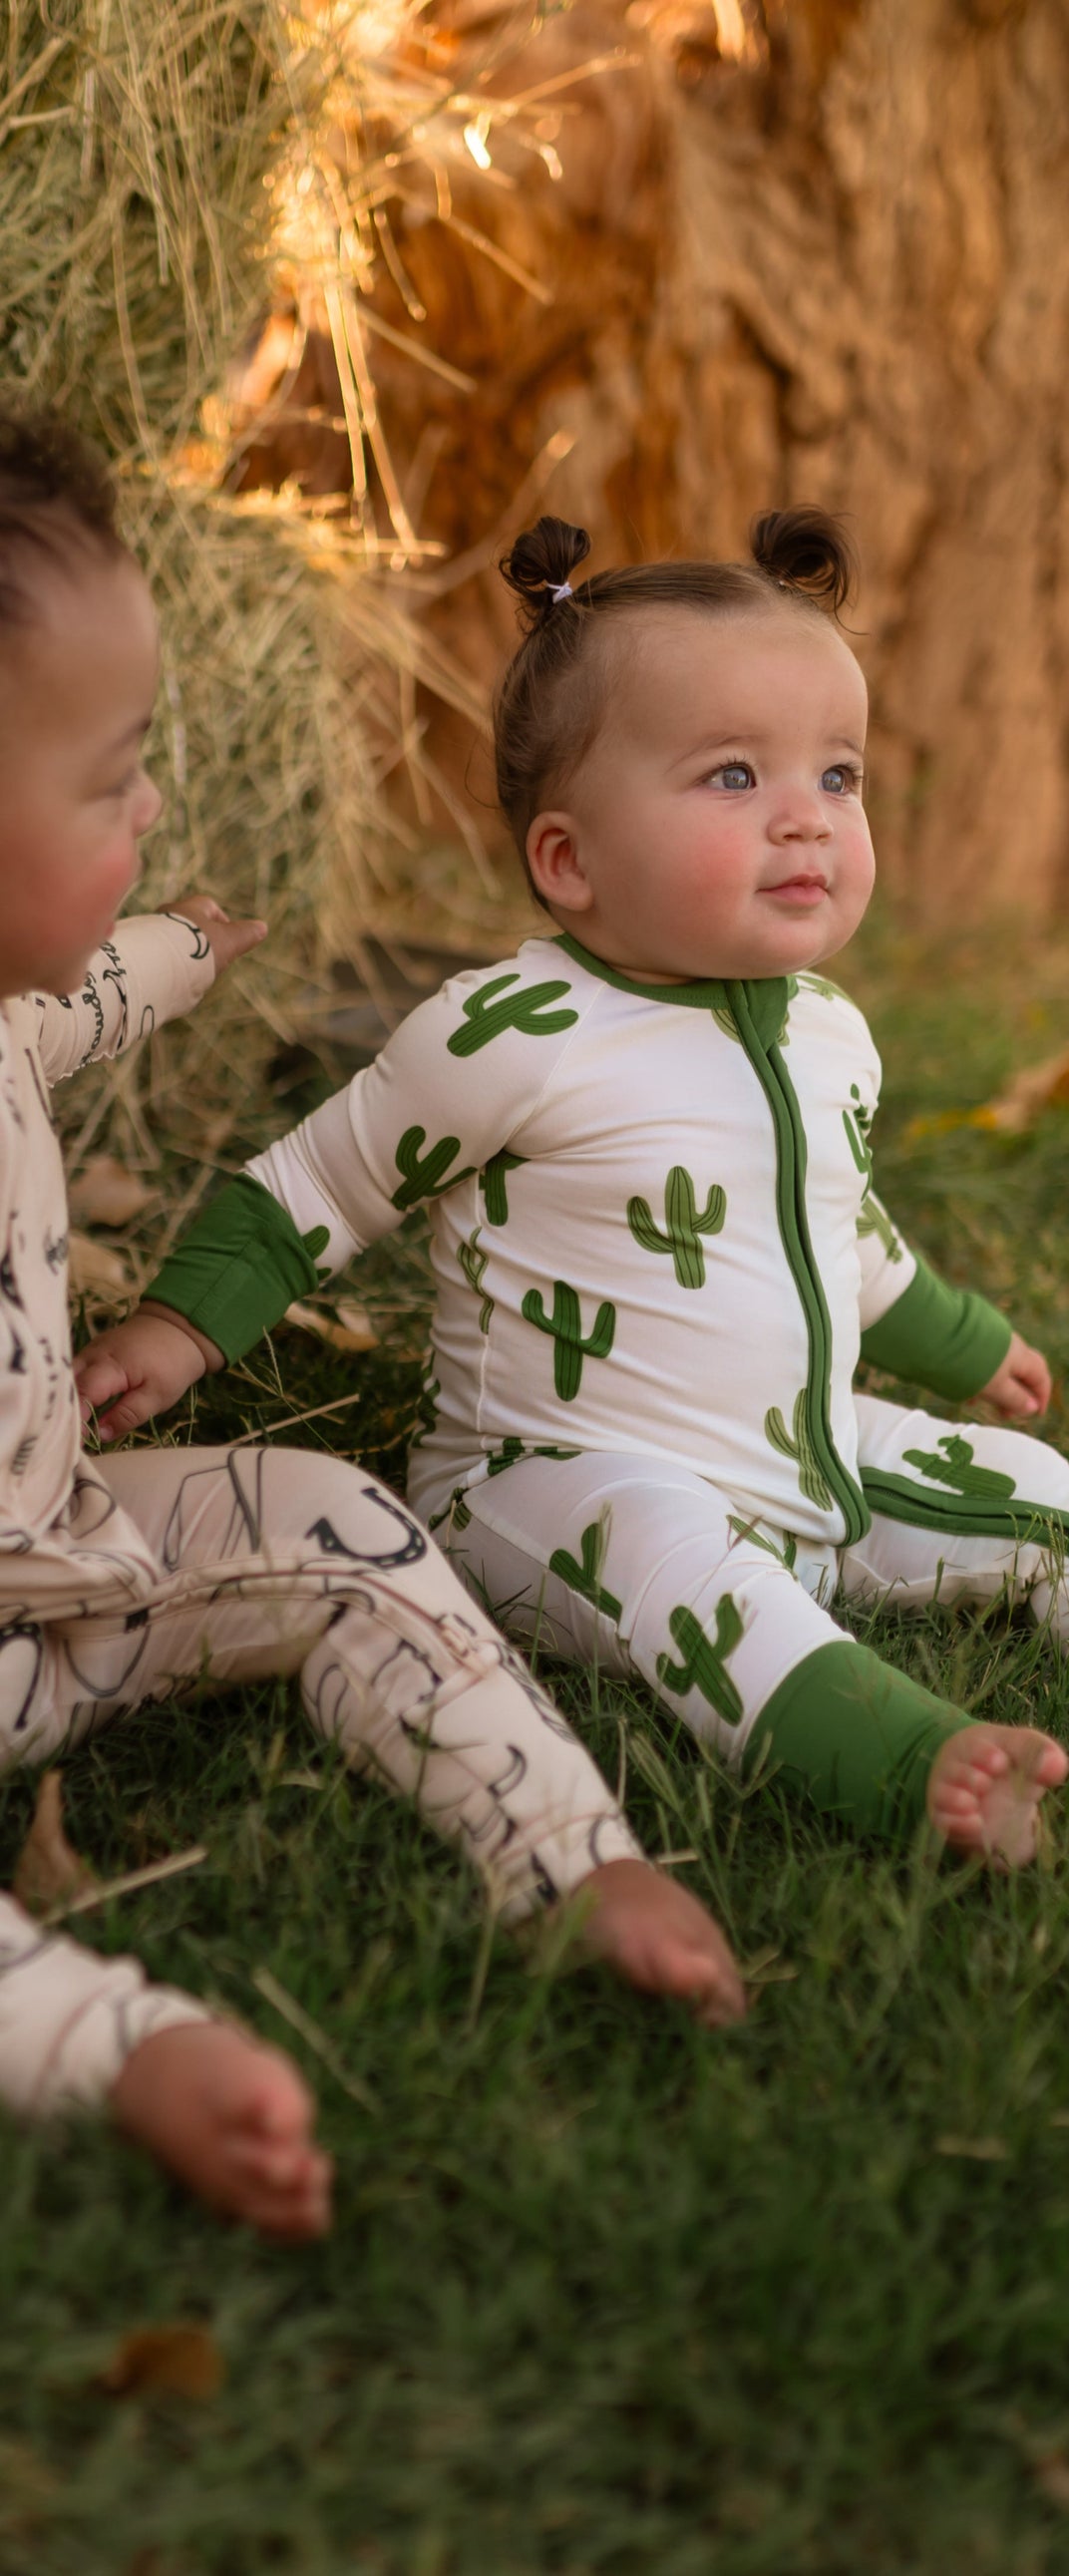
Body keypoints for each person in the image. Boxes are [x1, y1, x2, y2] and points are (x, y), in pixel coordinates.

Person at [79, 509, 1069, 1876]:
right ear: (570, 860)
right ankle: (913, 1765)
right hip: (556, 1481)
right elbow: (317, 1184)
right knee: (693, 1579)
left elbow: (850, 1240)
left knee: (1024, 1488)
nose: (805, 815)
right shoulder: (512, 1034)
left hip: (794, 1443)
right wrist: (176, 1330)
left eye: (835, 775)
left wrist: (968, 1345)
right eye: (733, 776)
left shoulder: (823, 1032)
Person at [0, 415, 746, 2238]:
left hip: (70, 1565)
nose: (153, 801)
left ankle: (567, 1854)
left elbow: (76, 1007)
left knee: (335, 1522)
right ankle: (113, 2043)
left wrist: (183, 941)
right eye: (111, 785)